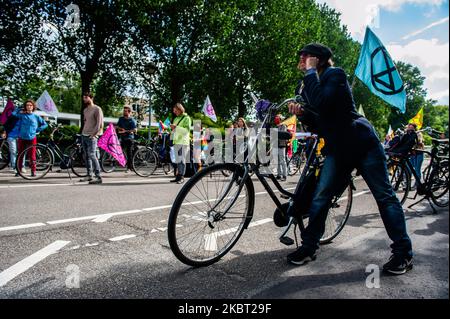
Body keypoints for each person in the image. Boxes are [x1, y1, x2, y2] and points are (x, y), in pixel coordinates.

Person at [287, 43, 413, 275]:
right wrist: (303, 114)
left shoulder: (335, 75)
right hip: (337, 149)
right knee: (321, 196)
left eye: (305, 56)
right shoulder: (308, 84)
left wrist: (310, 74)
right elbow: (320, 119)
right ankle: (308, 247)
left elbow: (324, 102)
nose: (301, 59)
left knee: (384, 196)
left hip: (362, 144)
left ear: (318, 59)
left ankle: (403, 253)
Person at [13, 100, 48, 177]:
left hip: (32, 138)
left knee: (32, 156)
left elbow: (45, 124)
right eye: (27, 105)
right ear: (25, 107)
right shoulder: (21, 115)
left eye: (30, 105)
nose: (29, 106)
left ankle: (33, 171)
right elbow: (13, 114)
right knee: (20, 155)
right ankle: (18, 171)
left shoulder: (36, 116)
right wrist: (19, 108)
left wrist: (38, 129)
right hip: (22, 138)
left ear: (33, 107)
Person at [80, 91, 104, 184]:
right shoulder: (85, 110)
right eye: (83, 97)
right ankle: (89, 175)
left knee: (92, 155)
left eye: (86, 97)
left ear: (91, 98)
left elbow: (100, 124)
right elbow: (86, 122)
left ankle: (98, 177)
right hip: (84, 135)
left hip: (92, 136)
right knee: (86, 156)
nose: (84, 99)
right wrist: (83, 133)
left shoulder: (97, 109)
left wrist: (93, 134)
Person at [170, 103, 192, 184]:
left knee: (182, 160)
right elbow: (174, 131)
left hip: (183, 142)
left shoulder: (187, 118)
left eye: (175, 110)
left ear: (179, 109)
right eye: (174, 111)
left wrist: (176, 127)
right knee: (178, 160)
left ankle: (182, 177)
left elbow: (187, 130)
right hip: (176, 141)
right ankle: (178, 176)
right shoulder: (176, 119)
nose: (174, 112)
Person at [2, 108, 22, 175]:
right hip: (11, 136)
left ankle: (22, 166)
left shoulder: (25, 118)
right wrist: (5, 132)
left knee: (21, 152)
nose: (23, 111)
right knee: (13, 151)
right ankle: (14, 167)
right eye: (21, 110)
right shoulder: (13, 117)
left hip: (21, 136)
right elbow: (6, 124)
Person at [117, 106, 137, 172]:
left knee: (129, 153)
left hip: (129, 138)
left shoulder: (132, 120)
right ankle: (121, 162)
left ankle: (129, 168)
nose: (124, 112)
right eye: (123, 111)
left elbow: (135, 130)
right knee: (118, 150)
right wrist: (113, 127)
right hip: (122, 137)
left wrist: (125, 131)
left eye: (125, 111)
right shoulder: (121, 119)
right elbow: (118, 126)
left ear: (129, 112)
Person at [407, 123, 424, 188]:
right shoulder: (408, 134)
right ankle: (407, 183)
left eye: (411, 127)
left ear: (414, 128)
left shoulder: (418, 133)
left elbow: (419, 142)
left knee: (417, 169)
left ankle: (417, 184)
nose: (409, 128)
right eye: (409, 127)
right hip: (412, 154)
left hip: (419, 153)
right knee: (409, 168)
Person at [274, 114, 288, 181]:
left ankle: (284, 175)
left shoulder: (283, 126)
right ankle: (279, 174)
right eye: (276, 118)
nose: (276, 119)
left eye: (278, 118)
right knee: (278, 161)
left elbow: (283, 134)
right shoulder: (276, 127)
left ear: (280, 119)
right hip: (276, 145)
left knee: (282, 160)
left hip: (281, 145)